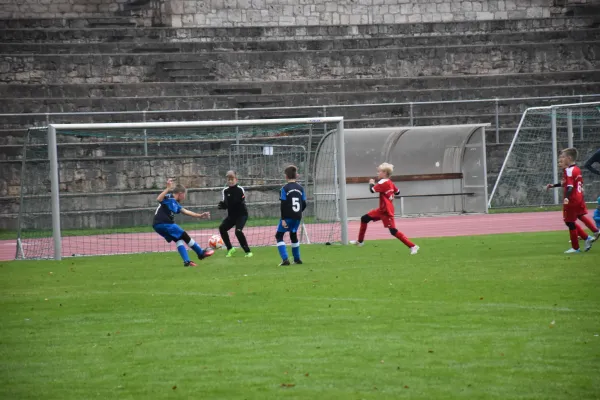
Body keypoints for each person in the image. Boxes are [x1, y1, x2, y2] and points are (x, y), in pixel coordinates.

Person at [350, 162, 419, 255]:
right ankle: (360, 241)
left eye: (379, 171)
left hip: (386, 212)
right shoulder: (390, 182)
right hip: (381, 210)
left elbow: (372, 190)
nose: (377, 173)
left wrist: (371, 183)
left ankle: (413, 246)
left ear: (385, 173)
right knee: (364, 218)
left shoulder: (382, 182)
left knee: (393, 231)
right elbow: (398, 192)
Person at [546, 148, 599, 253]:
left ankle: (576, 248)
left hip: (572, 199)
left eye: (563, 157)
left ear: (569, 158)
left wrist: (566, 198)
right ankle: (593, 233)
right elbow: (570, 183)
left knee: (569, 222)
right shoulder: (576, 169)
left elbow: (569, 187)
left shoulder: (568, 170)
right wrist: (553, 185)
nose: (561, 159)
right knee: (579, 216)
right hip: (579, 198)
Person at [153, 179, 214, 267]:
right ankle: (200, 253)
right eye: (184, 194)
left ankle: (187, 261)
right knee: (184, 235)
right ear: (180, 193)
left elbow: (186, 211)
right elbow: (158, 199)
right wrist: (167, 188)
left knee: (178, 239)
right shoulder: (169, 197)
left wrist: (200, 215)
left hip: (158, 225)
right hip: (164, 223)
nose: (184, 197)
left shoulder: (176, 204)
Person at [276, 165, 306, 266]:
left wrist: (283, 219)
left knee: (279, 235)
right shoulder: (301, 188)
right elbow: (304, 203)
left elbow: (283, 205)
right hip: (297, 216)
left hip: (287, 217)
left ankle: (285, 259)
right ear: (296, 176)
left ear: (286, 176)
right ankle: (297, 259)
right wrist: (298, 212)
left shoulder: (284, 189)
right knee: (293, 235)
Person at [217, 170, 253, 258]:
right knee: (222, 228)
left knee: (238, 231)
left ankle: (248, 252)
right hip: (231, 216)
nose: (230, 181)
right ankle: (230, 249)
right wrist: (223, 206)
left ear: (236, 179)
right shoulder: (225, 191)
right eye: (228, 179)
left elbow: (240, 201)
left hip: (242, 215)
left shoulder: (240, 189)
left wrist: (229, 203)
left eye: (232, 179)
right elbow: (226, 203)